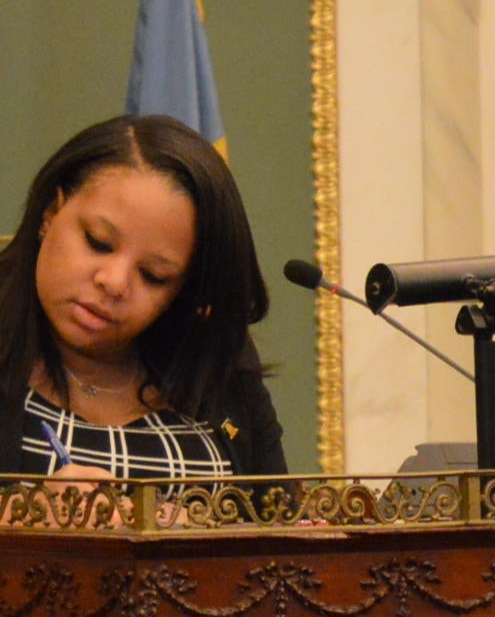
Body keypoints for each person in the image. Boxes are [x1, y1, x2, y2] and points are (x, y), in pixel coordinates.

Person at [3, 115, 286, 482]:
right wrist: (32, 523)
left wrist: (191, 533)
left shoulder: (215, 358)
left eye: (154, 276)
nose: (114, 282)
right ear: (51, 212)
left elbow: (279, 521)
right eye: (98, 243)